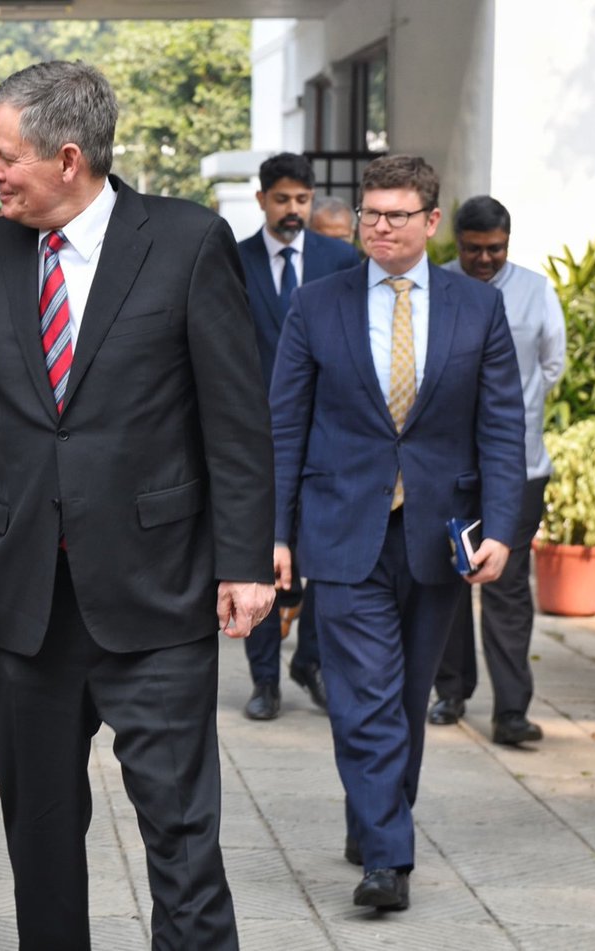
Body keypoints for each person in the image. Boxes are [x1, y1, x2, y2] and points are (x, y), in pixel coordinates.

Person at [0, 61, 276, 950]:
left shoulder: (191, 242)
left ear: (68, 157)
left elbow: (236, 419)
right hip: (27, 609)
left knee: (183, 838)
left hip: (159, 597)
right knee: (38, 842)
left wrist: (244, 560)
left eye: (5, 158)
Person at [271, 155, 525, 912]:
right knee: (364, 695)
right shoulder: (317, 306)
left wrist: (503, 531)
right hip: (343, 529)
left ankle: (373, 815)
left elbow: (503, 426)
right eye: (369, 213)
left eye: (396, 214)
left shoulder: (476, 309)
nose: (379, 226)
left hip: (439, 534)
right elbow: (282, 426)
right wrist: (273, 533)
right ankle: (389, 857)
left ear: (429, 222)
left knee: (408, 697)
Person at [429, 196, 566, 744]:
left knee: (508, 589)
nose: (484, 260)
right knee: (450, 581)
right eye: (472, 250)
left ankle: (511, 711)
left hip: (520, 466)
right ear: (456, 241)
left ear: (508, 242)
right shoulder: (435, 288)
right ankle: (451, 690)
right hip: (449, 468)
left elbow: (551, 364)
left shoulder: (535, 292)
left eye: (495, 250)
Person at [236, 152, 359, 720]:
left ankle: (308, 659)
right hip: (254, 438)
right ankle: (265, 681)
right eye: (282, 199)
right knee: (259, 554)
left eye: (302, 200)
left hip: (327, 434)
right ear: (262, 199)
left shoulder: (341, 260)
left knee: (321, 556)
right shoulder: (232, 262)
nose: (292, 210)